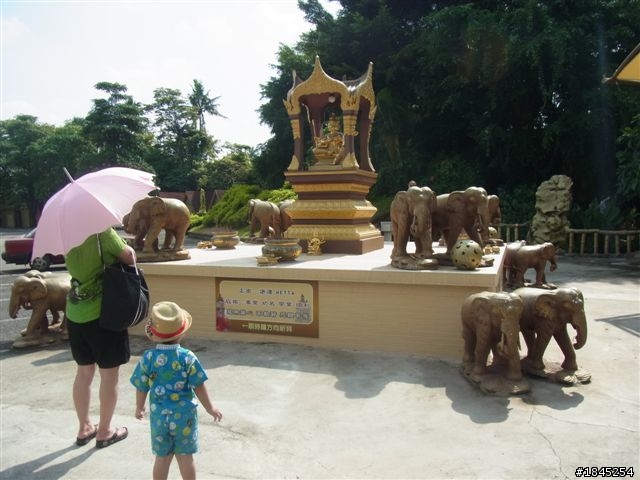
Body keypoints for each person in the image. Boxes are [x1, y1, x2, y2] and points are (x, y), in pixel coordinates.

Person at [130, 301, 223, 480]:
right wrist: (210, 407)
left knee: (162, 459)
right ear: (182, 333)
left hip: (159, 417)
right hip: (184, 416)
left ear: (154, 334)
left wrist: (139, 407)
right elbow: (199, 385)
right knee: (185, 458)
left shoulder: (148, 358)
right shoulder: (187, 357)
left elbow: (141, 386)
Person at [66, 227, 135, 448]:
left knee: (84, 372)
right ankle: (105, 431)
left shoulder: (65, 233)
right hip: (104, 313)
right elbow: (129, 256)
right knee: (109, 375)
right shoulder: (99, 230)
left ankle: (84, 426)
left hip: (75, 313)